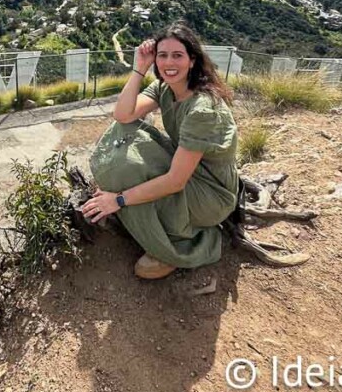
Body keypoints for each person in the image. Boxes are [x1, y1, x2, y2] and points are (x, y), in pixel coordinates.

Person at [80, 22, 239, 279]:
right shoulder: (165, 88)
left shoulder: (202, 109)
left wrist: (118, 199)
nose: (168, 62)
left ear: (192, 60)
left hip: (211, 193)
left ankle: (187, 241)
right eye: (162, 55)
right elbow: (122, 115)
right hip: (189, 172)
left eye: (177, 55)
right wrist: (139, 68)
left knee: (132, 173)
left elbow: (176, 181)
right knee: (128, 132)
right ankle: (144, 207)